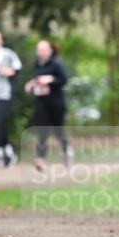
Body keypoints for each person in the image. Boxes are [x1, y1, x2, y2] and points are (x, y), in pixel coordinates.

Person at [24, 39, 72, 170]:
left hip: (56, 103)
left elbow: (64, 79)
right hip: (42, 102)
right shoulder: (37, 64)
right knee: (42, 130)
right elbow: (37, 79)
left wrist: (51, 80)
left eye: (44, 49)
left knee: (58, 130)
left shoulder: (56, 63)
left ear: (50, 51)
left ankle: (66, 150)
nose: (41, 52)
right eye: (39, 49)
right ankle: (41, 159)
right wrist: (30, 85)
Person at [0, 29, 22, 167]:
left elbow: (18, 68)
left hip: (4, 94)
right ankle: (8, 153)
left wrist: (8, 71)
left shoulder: (7, 54)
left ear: (1, 40)